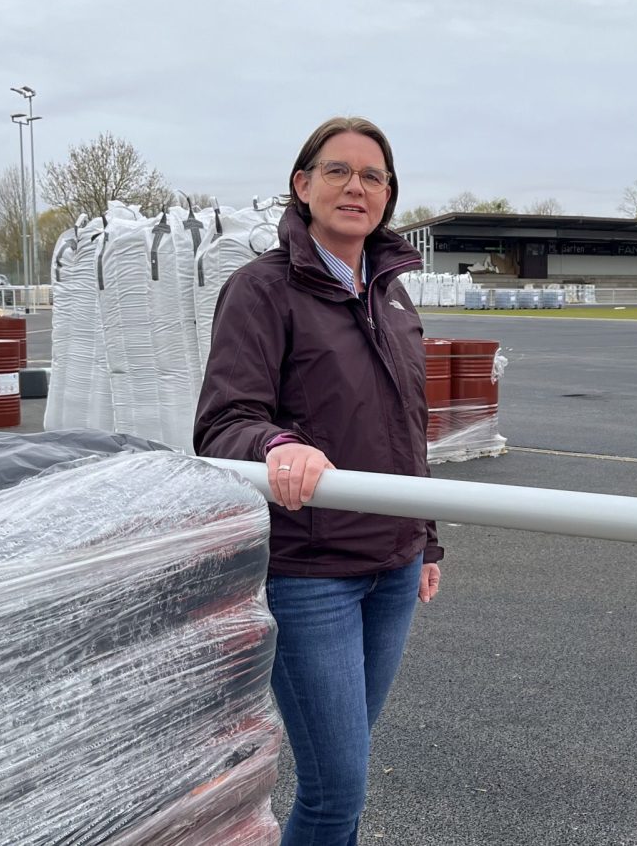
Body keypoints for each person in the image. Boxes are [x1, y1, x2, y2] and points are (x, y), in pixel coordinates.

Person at [194, 116, 441, 846]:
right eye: (337, 171)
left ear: (389, 196)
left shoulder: (392, 297)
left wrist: (425, 539)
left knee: (349, 775)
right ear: (303, 186)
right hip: (313, 576)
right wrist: (277, 445)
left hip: (392, 570)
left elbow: (409, 429)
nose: (355, 187)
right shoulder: (261, 291)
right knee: (338, 790)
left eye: (372, 176)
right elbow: (223, 422)